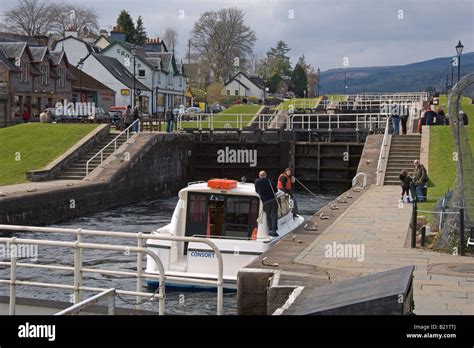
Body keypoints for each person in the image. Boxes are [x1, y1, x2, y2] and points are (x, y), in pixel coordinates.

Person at [255, 171, 279, 237]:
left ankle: (270, 229)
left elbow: (256, 191)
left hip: (265, 202)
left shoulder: (257, 182)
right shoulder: (269, 181)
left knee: (268, 216)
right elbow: (276, 190)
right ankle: (274, 230)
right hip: (273, 200)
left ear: (259, 175)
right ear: (265, 175)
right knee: (274, 215)